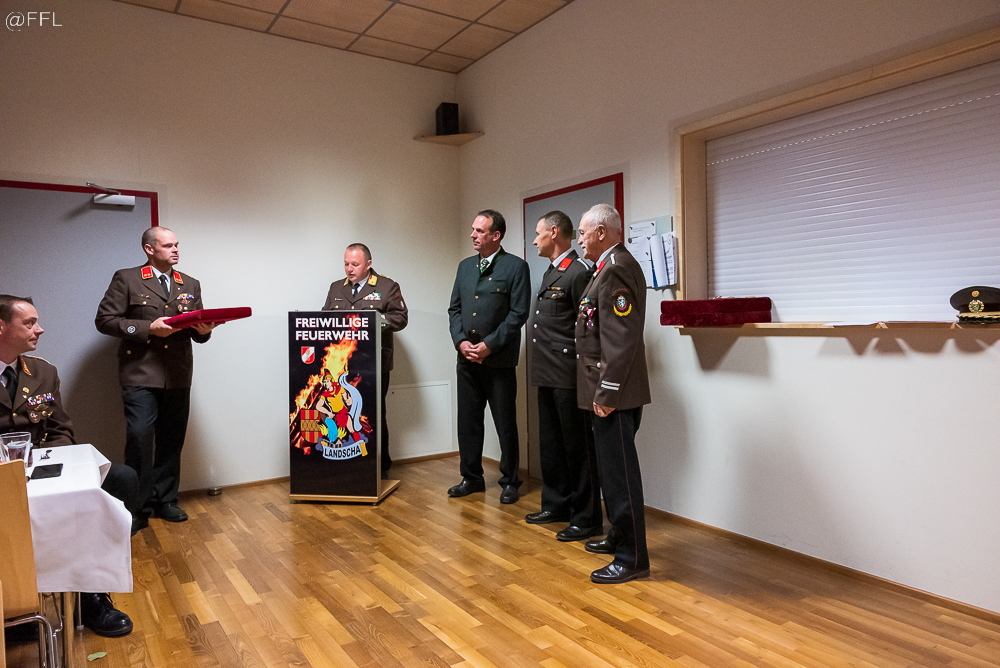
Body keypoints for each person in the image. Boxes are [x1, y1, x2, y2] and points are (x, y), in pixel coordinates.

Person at [0, 294, 136, 637]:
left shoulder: (42, 371)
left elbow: (60, 429)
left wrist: (46, 464)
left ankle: (90, 595)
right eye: (30, 323)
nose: (40, 329)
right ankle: (13, 607)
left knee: (121, 479)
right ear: (1, 327)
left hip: (39, 469)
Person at [95, 227, 215, 528]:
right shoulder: (128, 278)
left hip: (177, 374)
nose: (175, 250)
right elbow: (105, 320)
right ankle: (136, 507)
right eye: (168, 245)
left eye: (177, 245)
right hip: (140, 373)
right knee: (139, 438)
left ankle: (166, 500)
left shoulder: (189, 283)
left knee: (172, 440)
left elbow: (198, 332)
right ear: (149, 249)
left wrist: (205, 331)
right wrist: (148, 328)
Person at [574, 204, 652, 584]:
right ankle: (619, 536)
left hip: (614, 396)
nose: (580, 240)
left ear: (601, 232)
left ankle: (632, 557)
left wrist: (606, 393)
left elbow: (621, 340)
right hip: (608, 392)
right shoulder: (605, 267)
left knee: (620, 478)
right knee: (610, 473)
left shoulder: (617, 267)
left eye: (583, 233)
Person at [525, 211, 602, 541]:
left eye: (538, 233)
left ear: (554, 232)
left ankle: (586, 517)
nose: (534, 240)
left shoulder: (579, 272)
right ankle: (556, 504)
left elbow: (590, 327)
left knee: (578, 449)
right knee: (551, 446)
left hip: (570, 375)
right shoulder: (552, 271)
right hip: (546, 371)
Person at [447, 210, 530, 503]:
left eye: (480, 231)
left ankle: (510, 481)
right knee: (468, 423)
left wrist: (489, 345)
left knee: (505, 424)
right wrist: (460, 342)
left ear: (496, 235)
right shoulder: (465, 267)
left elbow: (518, 313)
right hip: (467, 360)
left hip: (498, 361)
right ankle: (471, 478)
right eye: (473, 229)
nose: (473, 235)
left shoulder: (515, 267)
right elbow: (455, 309)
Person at [322, 243, 408, 479]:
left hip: (374, 364)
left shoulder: (387, 286)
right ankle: (349, 463)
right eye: (346, 264)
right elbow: (324, 318)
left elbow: (400, 318)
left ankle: (380, 467)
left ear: (368, 264)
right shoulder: (336, 287)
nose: (349, 269)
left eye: (355, 264)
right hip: (341, 366)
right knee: (341, 413)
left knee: (373, 414)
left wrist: (371, 320)